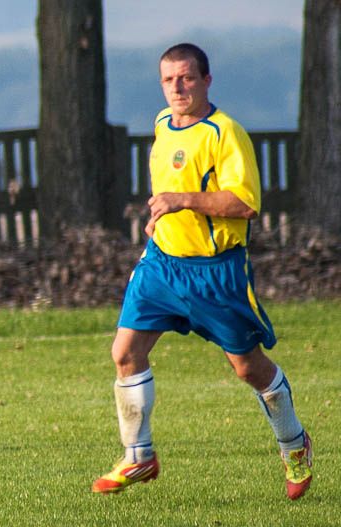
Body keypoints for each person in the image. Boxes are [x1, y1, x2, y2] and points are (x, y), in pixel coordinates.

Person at [91, 43, 312, 500]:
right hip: (163, 265)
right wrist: (160, 216)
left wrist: (182, 200)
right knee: (125, 352)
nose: (177, 87)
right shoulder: (160, 124)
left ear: (206, 80)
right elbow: (168, 188)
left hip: (215, 274)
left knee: (247, 368)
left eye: (186, 78)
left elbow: (246, 203)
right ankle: (138, 456)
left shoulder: (225, 132)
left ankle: (294, 443)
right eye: (169, 79)